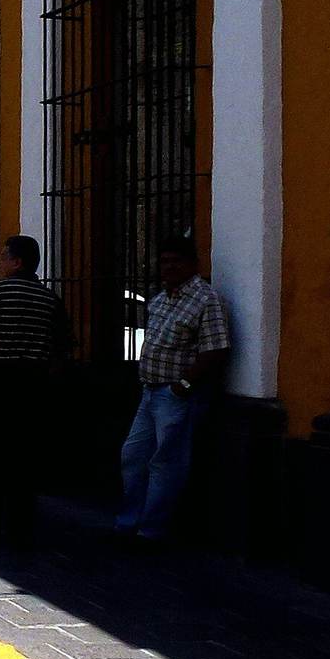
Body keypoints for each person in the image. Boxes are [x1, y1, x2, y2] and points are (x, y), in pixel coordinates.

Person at [116, 233, 230, 545]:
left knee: (166, 462)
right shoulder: (159, 300)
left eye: (175, 261)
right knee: (133, 456)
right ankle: (128, 523)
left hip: (175, 394)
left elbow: (216, 349)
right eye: (164, 261)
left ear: (192, 264)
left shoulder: (206, 300)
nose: (168, 267)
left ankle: (150, 531)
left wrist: (184, 385)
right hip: (150, 391)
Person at [0, 235, 71, 545]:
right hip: (34, 384)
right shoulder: (49, 298)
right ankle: (21, 525)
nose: (0, 263)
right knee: (25, 457)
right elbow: (62, 348)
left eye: (4, 257)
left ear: (17, 261)